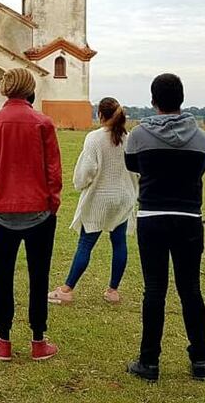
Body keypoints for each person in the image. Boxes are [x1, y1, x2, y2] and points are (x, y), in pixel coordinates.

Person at [124, 73, 205, 382]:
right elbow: (201, 168)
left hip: (152, 216)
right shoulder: (202, 138)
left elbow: (132, 165)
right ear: (181, 99)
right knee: (191, 289)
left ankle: (149, 362)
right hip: (189, 217)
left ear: (153, 100)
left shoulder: (139, 134)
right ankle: (200, 359)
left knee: (154, 290)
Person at [0, 68, 62, 362]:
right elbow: (53, 170)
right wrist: (52, 203)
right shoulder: (43, 123)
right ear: (29, 89)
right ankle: (38, 340)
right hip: (40, 212)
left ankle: (3, 340)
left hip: (1, 211)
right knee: (39, 276)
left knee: (4, 276)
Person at [48, 97, 137, 306]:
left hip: (100, 198)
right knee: (119, 242)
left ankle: (67, 289)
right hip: (123, 197)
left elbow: (86, 171)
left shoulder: (95, 138)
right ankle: (113, 290)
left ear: (100, 115)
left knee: (86, 243)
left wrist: (79, 184)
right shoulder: (129, 138)